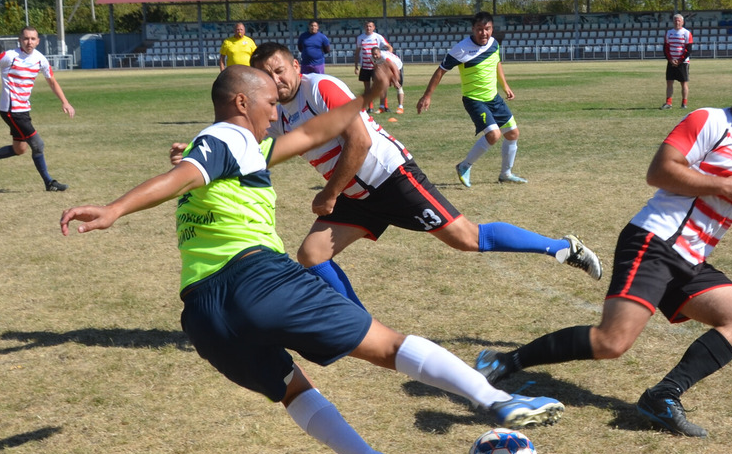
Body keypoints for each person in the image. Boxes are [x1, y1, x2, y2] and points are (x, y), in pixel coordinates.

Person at [61, 64, 565, 454]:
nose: (274, 112)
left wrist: (367, 99)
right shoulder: (226, 138)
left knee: (292, 391)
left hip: (203, 314)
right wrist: (115, 209)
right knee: (387, 345)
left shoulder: (243, 148)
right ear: (241, 102)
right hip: (255, 278)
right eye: (267, 103)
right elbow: (185, 174)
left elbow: (313, 131)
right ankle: (497, 400)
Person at [475, 65, 732, 438]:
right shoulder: (710, 121)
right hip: (653, 242)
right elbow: (659, 171)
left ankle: (663, 396)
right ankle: (504, 360)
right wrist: (720, 185)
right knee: (612, 342)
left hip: (690, 259)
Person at [230, 43, 600, 312]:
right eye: (267, 75)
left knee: (466, 238)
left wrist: (329, 193)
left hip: (391, 176)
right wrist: (203, 152)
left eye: (280, 70)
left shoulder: (320, 88)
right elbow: (248, 144)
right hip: (356, 194)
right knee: (312, 254)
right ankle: (359, 326)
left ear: (296, 65)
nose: (276, 80)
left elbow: (359, 142)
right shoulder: (275, 112)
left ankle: (562, 247)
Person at [417, 12, 526, 186]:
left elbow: (496, 62)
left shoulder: (494, 43)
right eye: (480, 29)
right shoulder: (461, 49)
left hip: (494, 98)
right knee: (493, 135)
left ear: (492, 28)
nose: (484, 33)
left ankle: (506, 173)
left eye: (487, 29)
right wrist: (427, 95)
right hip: (474, 99)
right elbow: (440, 71)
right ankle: (464, 166)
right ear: (473, 29)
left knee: (513, 134)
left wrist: (505, 86)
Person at [0, 26, 74, 191]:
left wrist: (65, 102)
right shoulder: (9, 56)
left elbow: (52, 81)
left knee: (20, 149)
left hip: (23, 109)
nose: (29, 42)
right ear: (20, 40)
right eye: (26, 38)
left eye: (33, 39)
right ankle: (49, 183)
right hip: (10, 110)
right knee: (38, 144)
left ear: (38, 41)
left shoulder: (40, 59)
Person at [662, 14, 693, 110]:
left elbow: (688, 49)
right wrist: (670, 59)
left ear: (682, 22)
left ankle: (684, 103)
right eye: (675, 20)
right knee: (669, 82)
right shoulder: (669, 33)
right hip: (671, 62)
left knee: (684, 83)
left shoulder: (687, 33)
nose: (677, 22)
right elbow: (666, 48)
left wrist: (680, 60)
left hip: (683, 63)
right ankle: (668, 103)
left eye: (679, 20)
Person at [354, 21, 391, 99]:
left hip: (377, 66)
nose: (368, 28)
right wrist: (356, 66)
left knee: (380, 86)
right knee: (367, 88)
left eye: (370, 26)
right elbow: (357, 52)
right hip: (365, 66)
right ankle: (370, 107)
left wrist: (386, 58)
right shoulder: (360, 38)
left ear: (374, 27)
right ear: (364, 27)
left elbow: (389, 47)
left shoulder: (378, 37)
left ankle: (383, 106)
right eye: (367, 26)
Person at [371, 46, 404, 114]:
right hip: (387, 68)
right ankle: (382, 107)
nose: (375, 56)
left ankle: (400, 107)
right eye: (373, 54)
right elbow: (377, 67)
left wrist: (395, 80)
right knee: (383, 87)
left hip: (397, 66)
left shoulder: (385, 58)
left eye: (376, 54)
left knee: (398, 86)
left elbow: (394, 68)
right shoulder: (372, 58)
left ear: (380, 53)